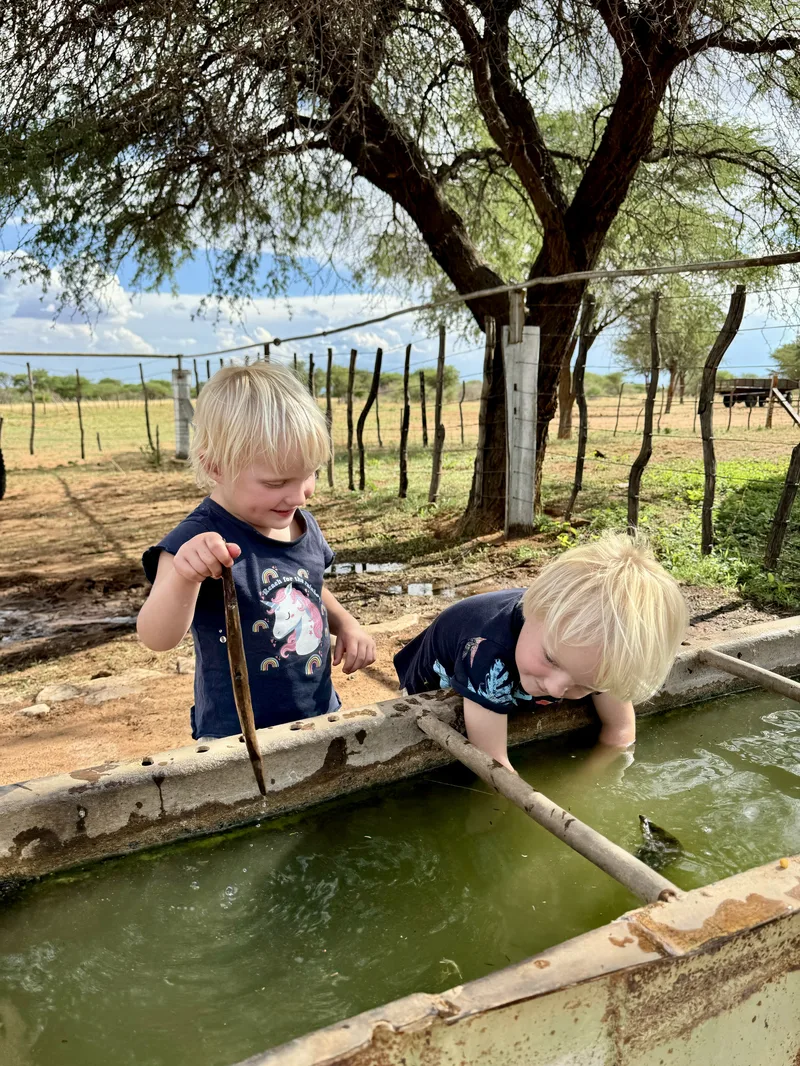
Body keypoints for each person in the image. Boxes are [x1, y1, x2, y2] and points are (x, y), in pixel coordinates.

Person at [137, 361, 376, 740]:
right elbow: (156, 637)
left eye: (309, 474)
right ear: (214, 465)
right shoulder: (195, 541)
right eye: (276, 481)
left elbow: (307, 586)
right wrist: (185, 576)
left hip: (319, 714)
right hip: (237, 735)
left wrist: (346, 624)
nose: (298, 496)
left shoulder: (300, 522)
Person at [394, 533, 688, 771]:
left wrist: (587, 784)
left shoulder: (595, 653)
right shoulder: (487, 651)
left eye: (586, 684)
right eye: (551, 659)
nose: (557, 688)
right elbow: (492, 767)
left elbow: (621, 732)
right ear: (534, 610)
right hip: (430, 683)